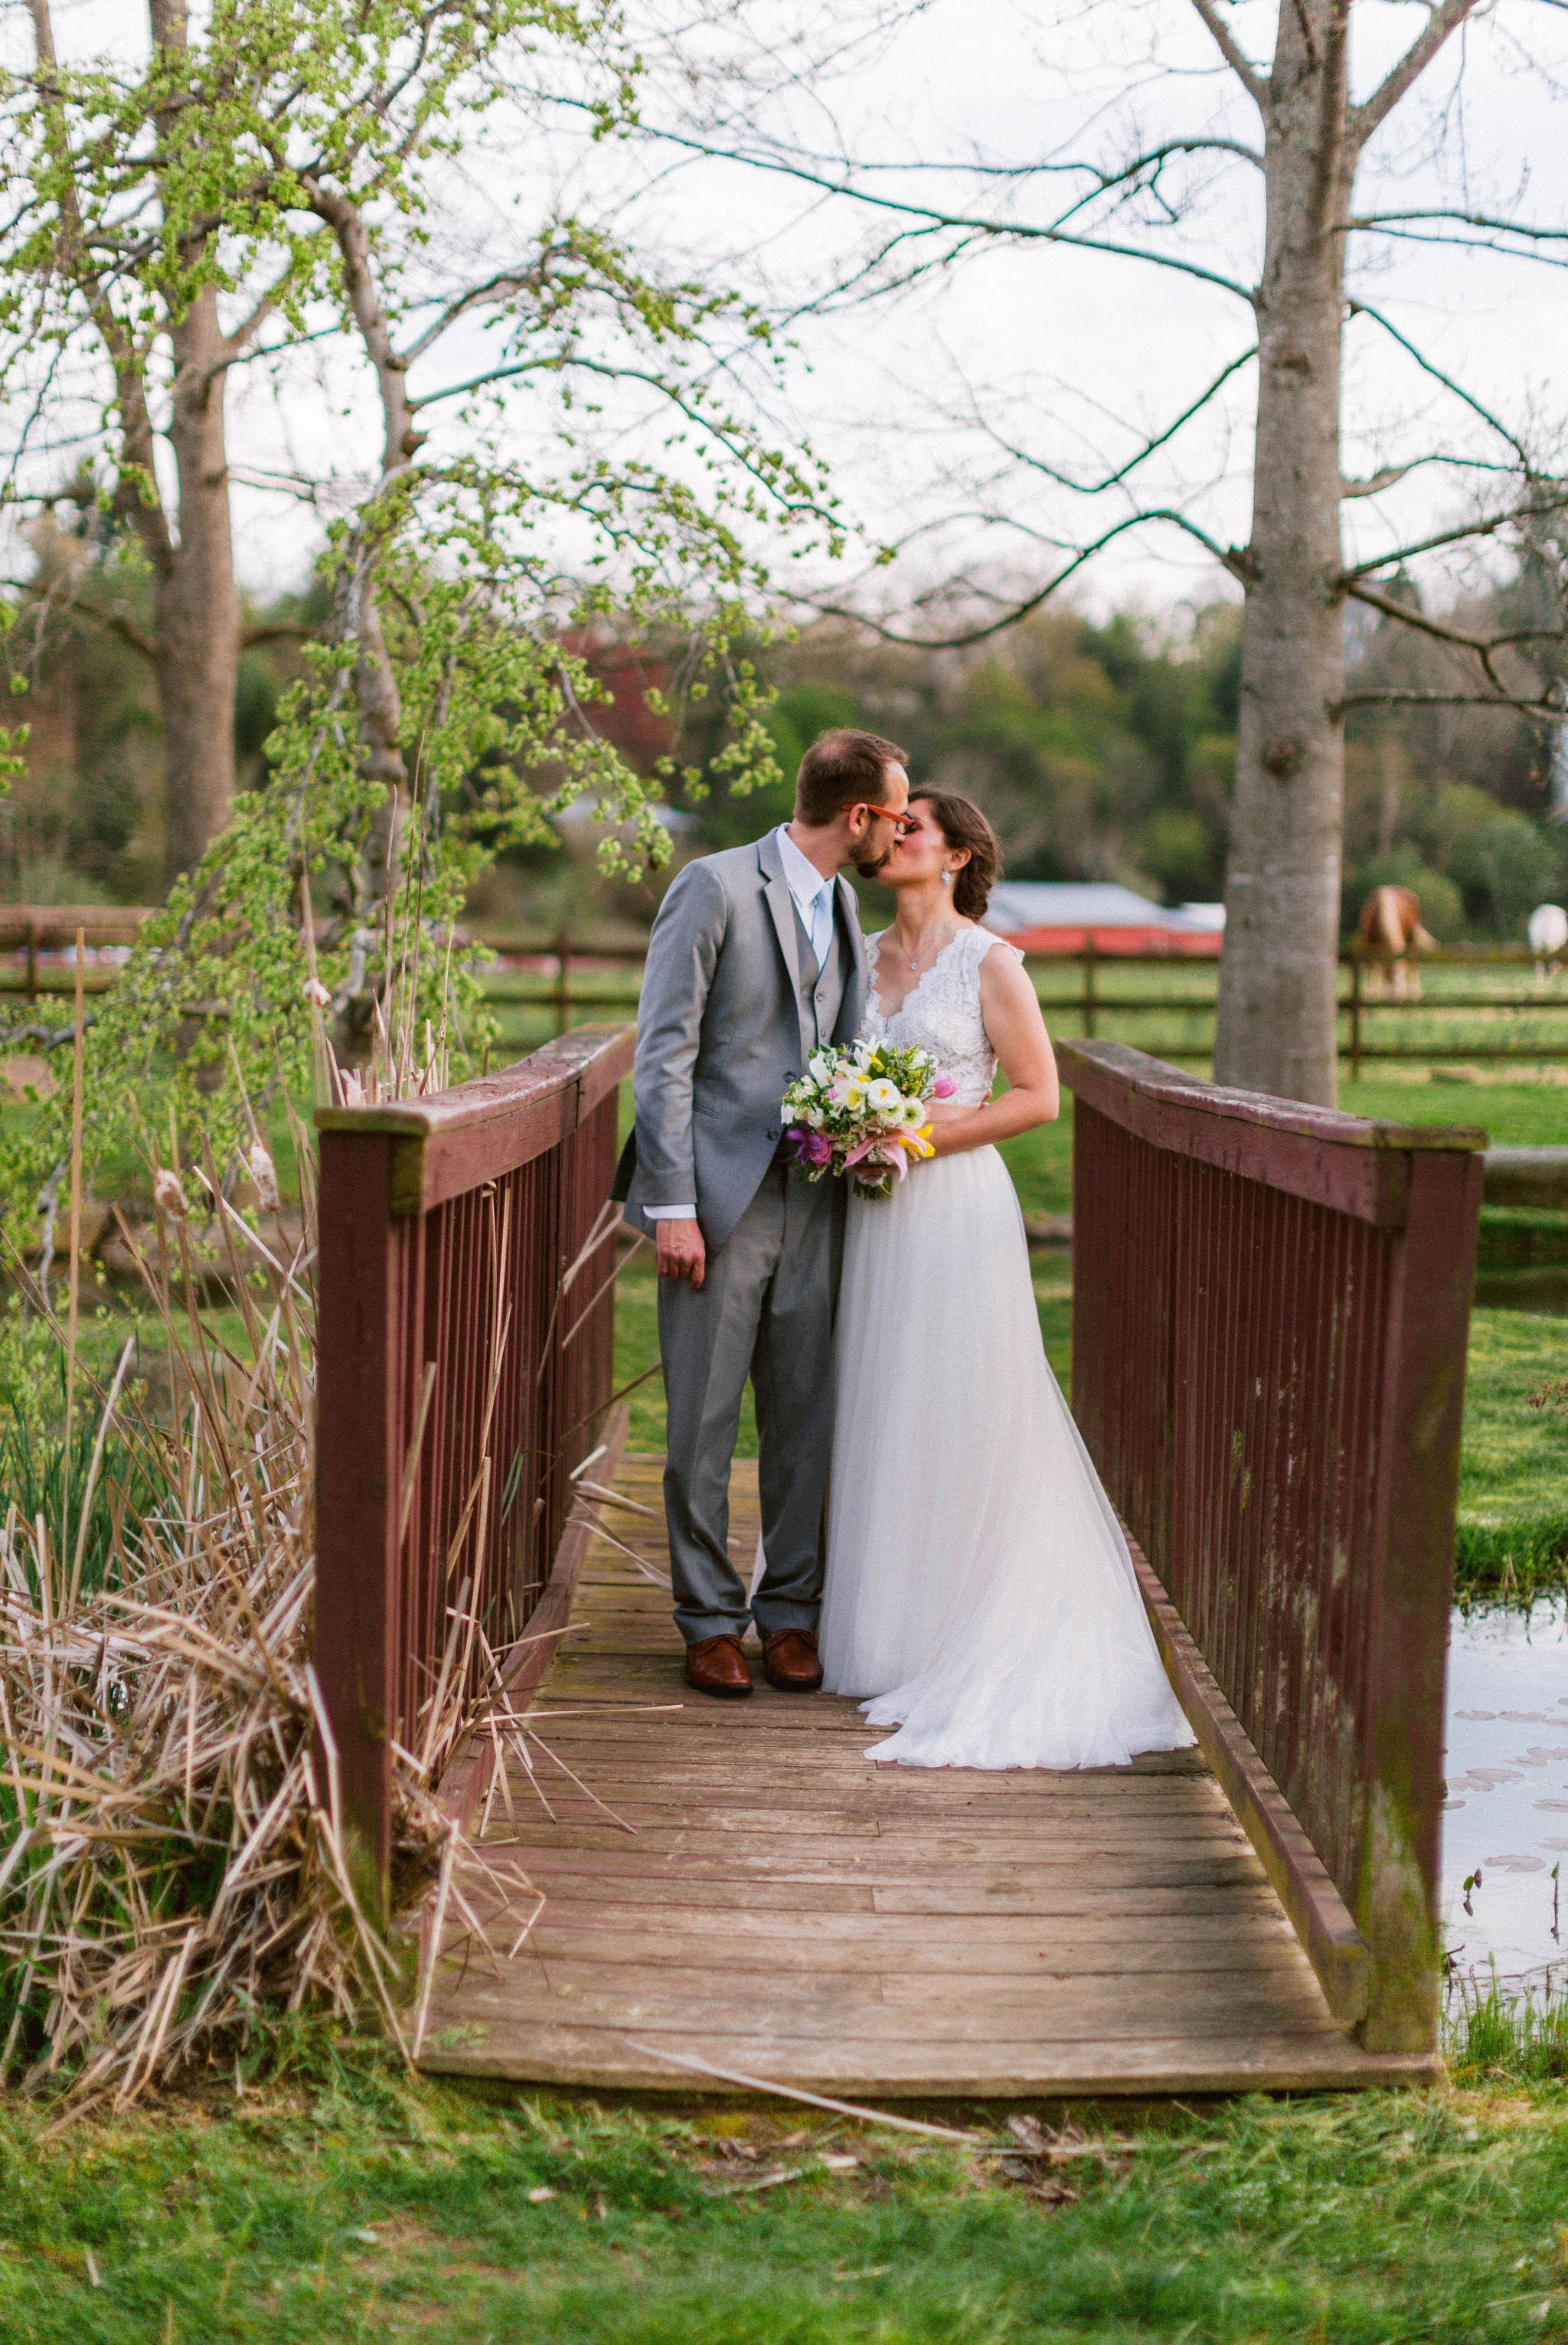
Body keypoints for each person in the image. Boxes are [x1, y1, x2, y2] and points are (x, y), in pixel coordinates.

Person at [818, 787, 1195, 1769]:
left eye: (916, 829)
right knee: (883, 1399)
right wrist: (849, 1132)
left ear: (954, 858)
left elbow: (1038, 1099)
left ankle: (972, 1626)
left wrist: (914, 1135)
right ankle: (891, 1633)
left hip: (952, 1206)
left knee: (963, 1400)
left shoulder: (989, 963)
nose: (895, 836)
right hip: (871, 1212)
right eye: (892, 825)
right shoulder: (853, 956)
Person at [612, 729, 910, 1698]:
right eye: (894, 815)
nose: (900, 830)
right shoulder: (712, 886)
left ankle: (790, 1616)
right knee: (700, 1418)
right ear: (856, 815)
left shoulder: (846, 901)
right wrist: (672, 1204)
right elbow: (662, 1054)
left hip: (819, 1199)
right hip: (717, 1199)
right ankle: (707, 1620)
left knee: (805, 1418)